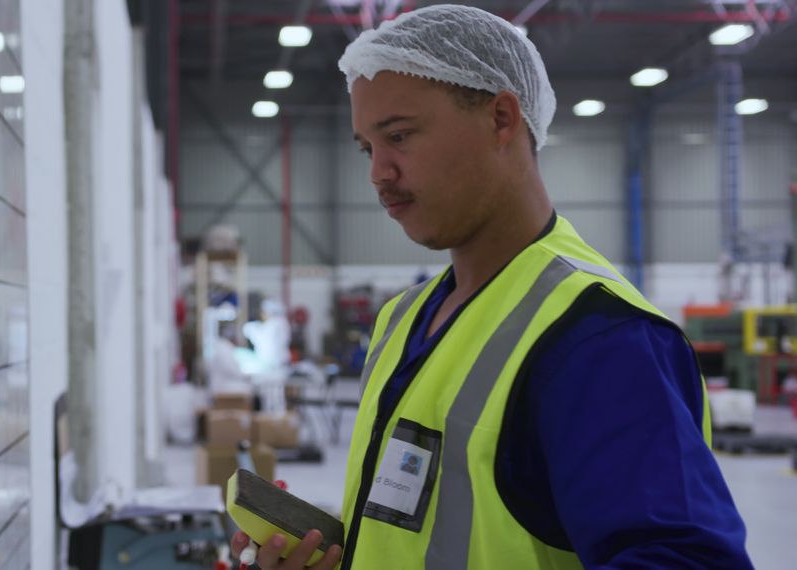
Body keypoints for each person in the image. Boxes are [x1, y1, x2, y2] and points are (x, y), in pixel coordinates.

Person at [231, 4, 752, 569]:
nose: (378, 172)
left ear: (502, 118)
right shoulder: (402, 319)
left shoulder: (599, 338)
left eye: (399, 136)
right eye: (366, 148)